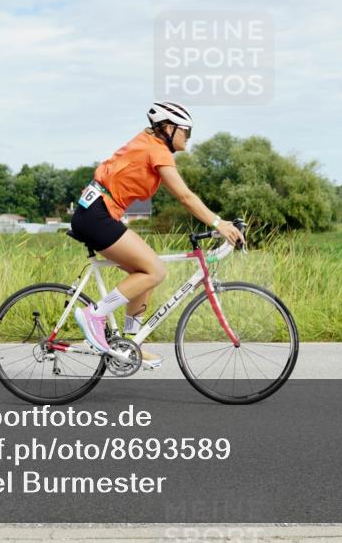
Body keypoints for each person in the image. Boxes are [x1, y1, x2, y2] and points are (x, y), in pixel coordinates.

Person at [69, 101, 243, 364]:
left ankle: (128, 343)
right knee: (155, 270)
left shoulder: (148, 144)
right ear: (169, 128)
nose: (189, 138)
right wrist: (219, 223)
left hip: (95, 213)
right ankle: (95, 314)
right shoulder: (157, 149)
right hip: (97, 215)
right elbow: (184, 196)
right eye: (187, 131)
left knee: (145, 274)